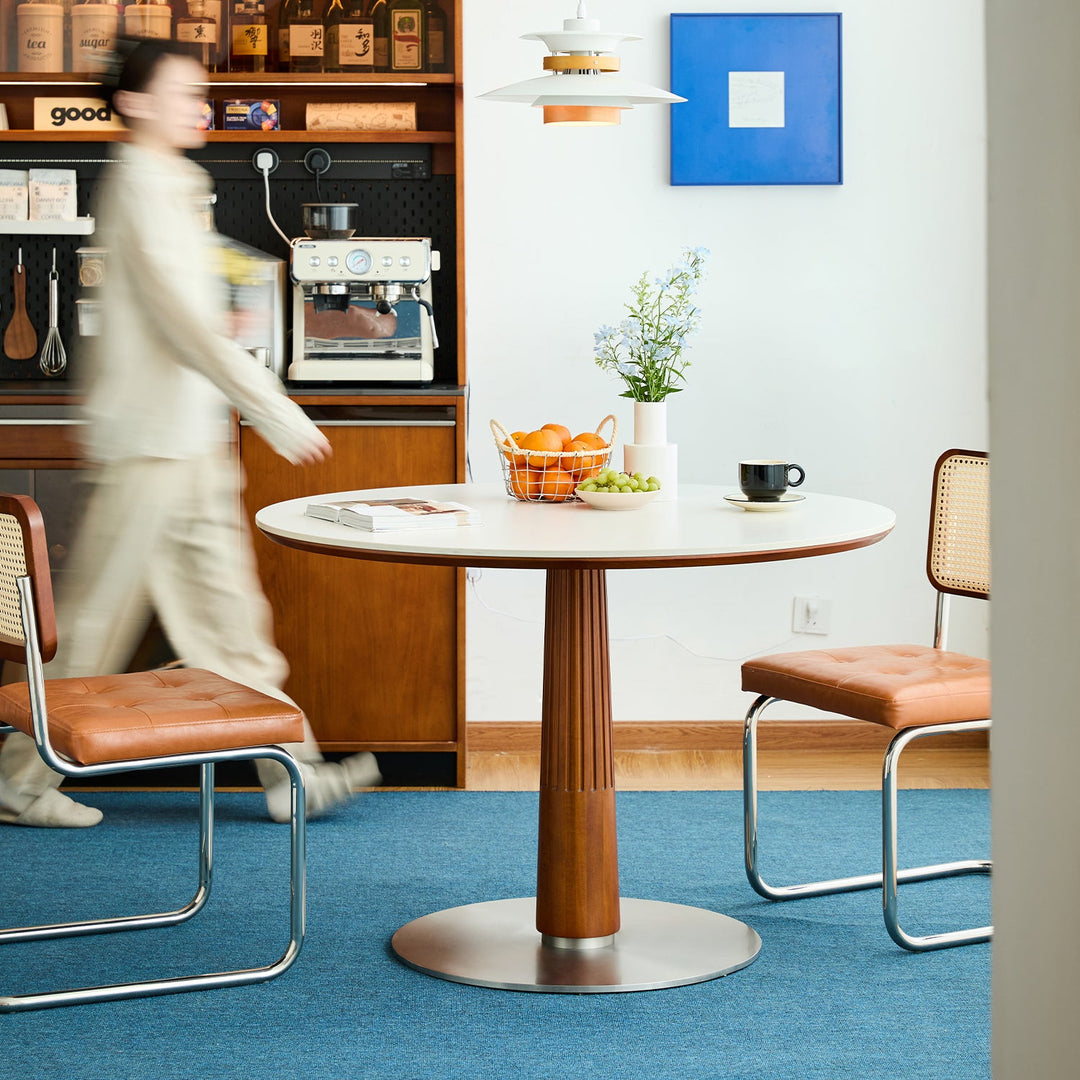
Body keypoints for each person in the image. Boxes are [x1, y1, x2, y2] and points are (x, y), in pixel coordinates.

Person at [0, 38, 380, 828]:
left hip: (190, 442)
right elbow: (180, 326)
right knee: (96, 627)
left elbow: (190, 314)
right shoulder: (140, 184)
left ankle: (293, 776)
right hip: (146, 447)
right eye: (182, 92)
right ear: (135, 103)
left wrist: (229, 335)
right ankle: (18, 782)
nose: (197, 105)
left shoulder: (175, 181)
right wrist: (274, 407)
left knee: (233, 624)